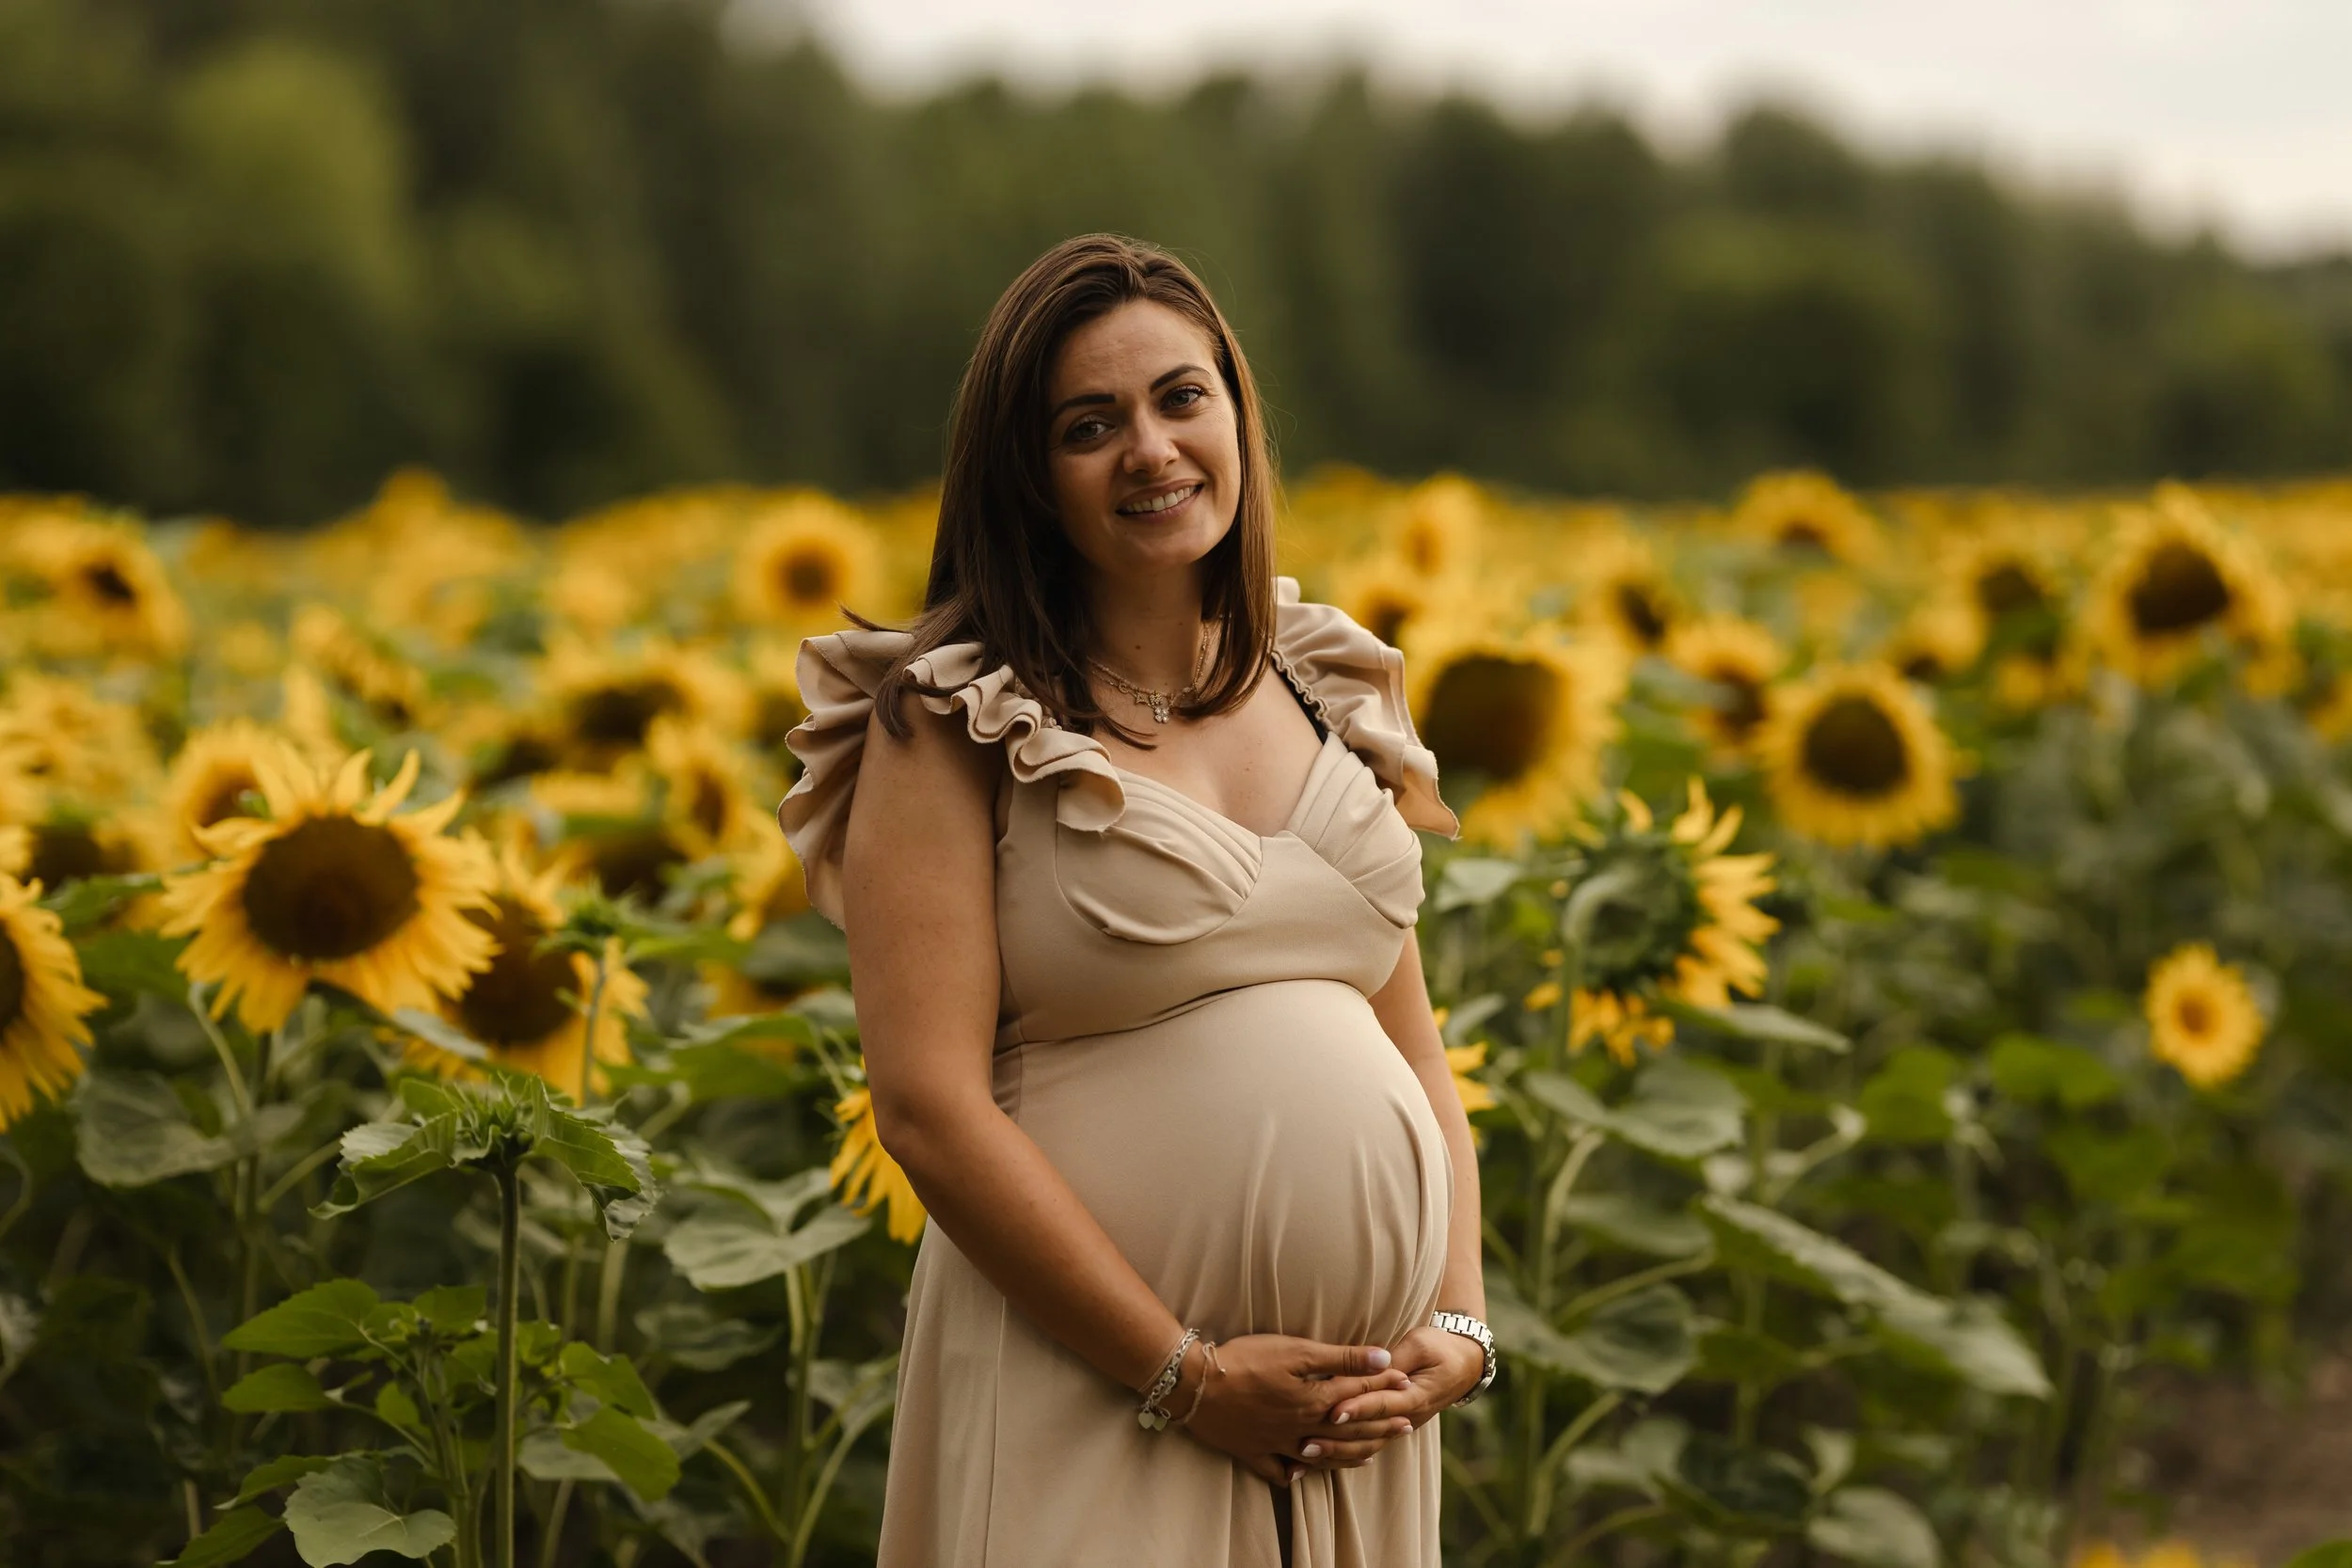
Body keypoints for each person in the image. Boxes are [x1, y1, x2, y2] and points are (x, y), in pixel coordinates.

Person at [778, 233, 1493, 1568]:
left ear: (1235, 412)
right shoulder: (951, 722)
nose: (1151, 450)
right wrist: (1188, 1375)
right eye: (1088, 425)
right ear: (1028, 477)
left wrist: (1457, 1322)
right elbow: (927, 1108)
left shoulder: (1324, 683)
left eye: (1181, 398)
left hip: (1351, 1426)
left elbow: (1414, 1049)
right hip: (1103, 1397)